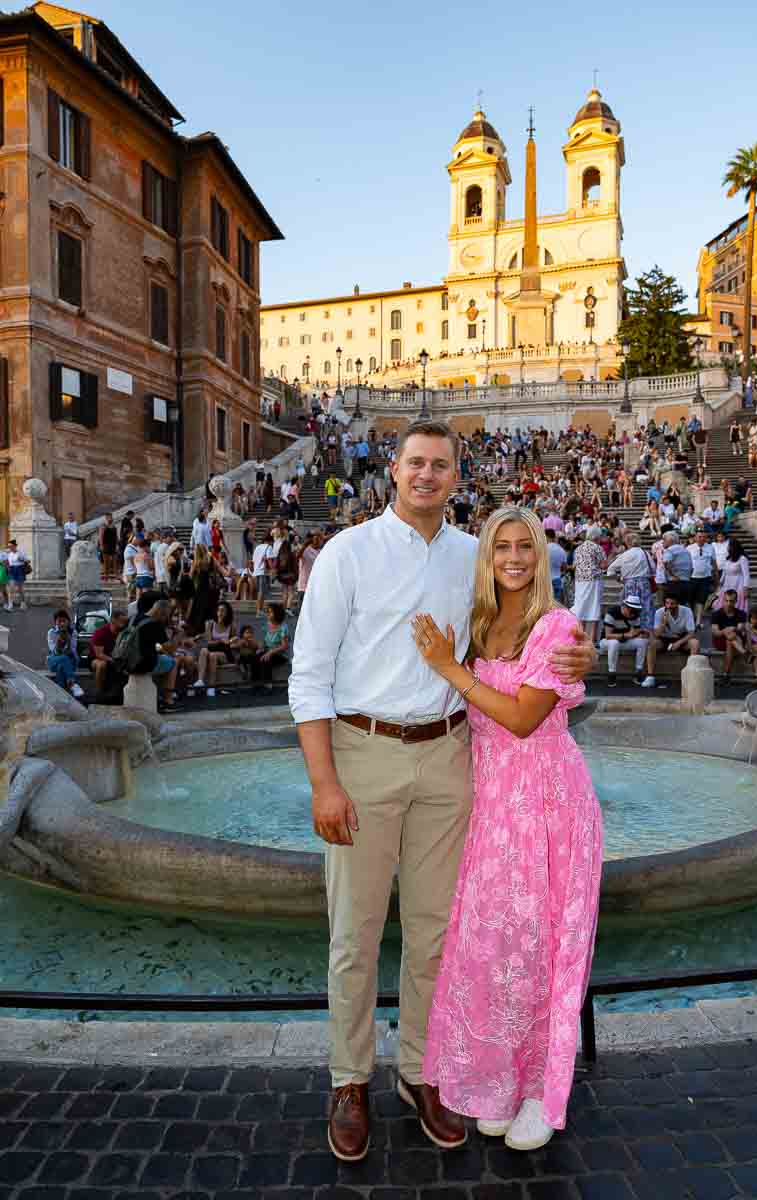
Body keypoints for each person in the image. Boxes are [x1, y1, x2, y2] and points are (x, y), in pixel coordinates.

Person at [288, 419, 594, 1163]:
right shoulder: (346, 552)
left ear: (458, 477)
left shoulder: (475, 558)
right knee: (354, 936)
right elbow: (309, 674)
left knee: (436, 935)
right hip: (363, 752)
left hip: (452, 757)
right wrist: (324, 781)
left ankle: (423, 1072)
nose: (427, 475)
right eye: (415, 463)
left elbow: (528, 630)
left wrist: (579, 653)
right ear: (392, 470)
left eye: (441, 465)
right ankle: (349, 1079)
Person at [412, 508, 602, 1149]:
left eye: (526, 547)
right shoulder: (479, 623)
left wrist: (449, 669)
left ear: (541, 555)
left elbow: (523, 718)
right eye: (503, 548)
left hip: (547, 802)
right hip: (493, 803)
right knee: (498, 949)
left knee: (541, 946)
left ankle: (538, 1094)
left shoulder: (556, 626)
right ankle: (499, 1080)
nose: (515, 558)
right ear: (488, 558)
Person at [641, 595, 700, 687]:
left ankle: (691, 676)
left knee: (695, 643)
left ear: (678, 604)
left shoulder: (687, 611)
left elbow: (691, 633)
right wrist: (663, 623)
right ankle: (650, 676)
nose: (669, 606)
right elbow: (656, 634)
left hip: (681, 638)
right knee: (651, 643)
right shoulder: (659, 612)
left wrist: (678, 643)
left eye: (672, 604)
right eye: (667, 603)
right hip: (664, 639)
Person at [605, 532, 655, 630]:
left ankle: (631, 629)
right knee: (646, 608)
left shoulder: (625, 555)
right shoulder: (645, 553)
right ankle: (646, 630)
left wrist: (619, 579)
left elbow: (610, 570)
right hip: (644, 584)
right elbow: (653, 568)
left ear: (627, 543)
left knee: (630, 609)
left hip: (629, 584)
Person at [598, 595, 649, 686]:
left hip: (625, 640)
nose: (633, 613)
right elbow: (608, 635)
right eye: (631, 610)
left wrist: (641, 633)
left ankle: (638, 671)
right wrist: (626, 635)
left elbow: (634, 632)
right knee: (614, 643)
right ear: (625, 607)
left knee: (643, 642)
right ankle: (612, 673)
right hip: (607, 642)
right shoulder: (612, 613)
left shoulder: (636, 615)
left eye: (635, 610)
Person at [194, 600, 239, 698]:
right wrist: (222, 641)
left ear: (227, 613)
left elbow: (235, 642)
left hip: (225, 654)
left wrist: (230, 642)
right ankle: (200, 680)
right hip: (212, 650)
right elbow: (209, 642)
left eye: (223, 611)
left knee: (213, 655)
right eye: (218, 610)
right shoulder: (210, 624)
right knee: (204, 651)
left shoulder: (231, 626)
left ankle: (211, 686)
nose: (220, 613)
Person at [570, 527, 606, 643]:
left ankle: (579, 640)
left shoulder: (578, 548)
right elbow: (604, 565)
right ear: (596, 537)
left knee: (581, 609)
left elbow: (575, 565)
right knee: (594, 609)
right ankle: (591, 641)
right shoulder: (597, 548)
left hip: (580, 580)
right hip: (593, 581)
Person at [711, 590, 747, 683]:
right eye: (726, 601)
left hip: (737, 639)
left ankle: (725, 674)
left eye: (731, 601)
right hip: (720, 641)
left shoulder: (741, 613)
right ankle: (745, 653)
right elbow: (716, 632)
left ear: (735, 601)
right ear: (723, 600)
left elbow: (740, 629)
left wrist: (732, 628)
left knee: (730, 639)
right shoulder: (716, 614)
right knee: (729, 637)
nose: (728, 603)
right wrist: (725, 630)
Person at [46, 609, 83, 698]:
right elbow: (53, 651)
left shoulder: (73, 632)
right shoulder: (51, 632)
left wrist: (68, 639)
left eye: (64, 621)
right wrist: (59, 642)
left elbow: (72, 651)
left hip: (70, 660)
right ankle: (72, 684)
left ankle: (60, 695)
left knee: (61, 667)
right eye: (59, 621)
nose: (62, 624)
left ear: (68, 621)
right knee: (62, 659)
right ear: (55, 622)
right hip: (54, 659)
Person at [89, 610, 127, 695]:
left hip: (115, 657)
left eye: (125, 621)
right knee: (101, 665)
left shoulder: (124, 632)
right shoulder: (100, 632)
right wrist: (113, 660)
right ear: (113, 620)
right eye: (121, 621)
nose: (124, 623)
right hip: (96, 658)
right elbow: (99, 654)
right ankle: (99, 692)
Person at [254, 602, 290, 691]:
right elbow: (265, 641)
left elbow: (284, 646)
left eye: (270, 612)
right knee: (255, 657)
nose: (268, 614)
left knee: (266, 659)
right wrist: (260, 648)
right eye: (267, 612)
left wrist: (270, 652)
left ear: (276, 613)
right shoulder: (268, 625)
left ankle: (268, 685)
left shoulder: (283, 627)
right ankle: (255, 683)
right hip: (268, 651)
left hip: (280, 654)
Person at [688, 531, 717, 626]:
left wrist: (716, 575)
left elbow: (713, 562)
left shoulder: (710, 547)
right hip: (692, 577)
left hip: (705, 577)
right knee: (691, 599)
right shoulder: (689, 548)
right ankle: (692, 618)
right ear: (695, 538)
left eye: (704, 537)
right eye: (699, 537)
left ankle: (698, 621)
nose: (702, 539)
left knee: (701, 599)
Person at [714, 538, 750, 613]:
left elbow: (746, 574)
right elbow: (724, 572)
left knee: (737, 605)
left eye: (728, 546)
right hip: (727, 584)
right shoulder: (728, 559)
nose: (727, 548)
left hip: (738, 585)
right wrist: (720, 584)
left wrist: (746, 588)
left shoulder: (742, 559)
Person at [661, 531, 693, 607]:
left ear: (670, 540)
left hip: (674, 582)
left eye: (664, 539)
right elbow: (692, 568)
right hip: (686, 581)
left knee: (671, 606)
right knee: (682, 605)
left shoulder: (670, 550)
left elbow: (666, 563)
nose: (663, 542)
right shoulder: (686, 550)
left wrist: (672, 575)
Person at [5, 540, 29, 609]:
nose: (10, 548)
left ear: (15, 546)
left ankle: (23, 603)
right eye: (9, 546)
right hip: (12, 570)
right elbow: (6, 561)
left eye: (11, 546)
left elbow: (28, 560)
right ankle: (10, 604)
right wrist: (8, 567)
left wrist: (21, 559)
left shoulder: (21, 553)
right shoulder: (8, 553)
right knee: (11, 588)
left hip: (19, 570)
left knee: (20, 588)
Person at [98, 513, 118, 580]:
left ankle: (115, 576)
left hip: (113, 545)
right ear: (106, 518)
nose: (111, 518)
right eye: (109, 517)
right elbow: (101, 536)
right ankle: (106, 577)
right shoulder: (103, 526)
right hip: (106, 546)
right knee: (106, 562)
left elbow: (116, 536)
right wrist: (101, 545)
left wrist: (117, 544)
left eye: (111, 517)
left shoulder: (114, 526)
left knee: (115, 561)